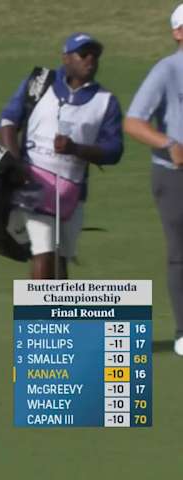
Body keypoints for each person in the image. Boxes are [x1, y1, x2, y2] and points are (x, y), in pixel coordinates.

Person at [0, 32, 124, 279]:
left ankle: (60, 316)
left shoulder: (105, 101)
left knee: (61, 258)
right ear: (66, 58)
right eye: (83, 54)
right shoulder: (40, 83)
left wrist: (75, 149)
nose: (91, 60)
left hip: (72, 191)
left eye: (95, 55)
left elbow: (114, 150)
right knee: (43, 251)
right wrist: (15, 164)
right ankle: (39, 316)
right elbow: (8, 121)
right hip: (32, 183)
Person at [124, 4, 183, 356]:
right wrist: (169, 144)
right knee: (181, 254)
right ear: (178, 32)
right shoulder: (167, 70)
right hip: (174, 176)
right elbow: (134, 122)